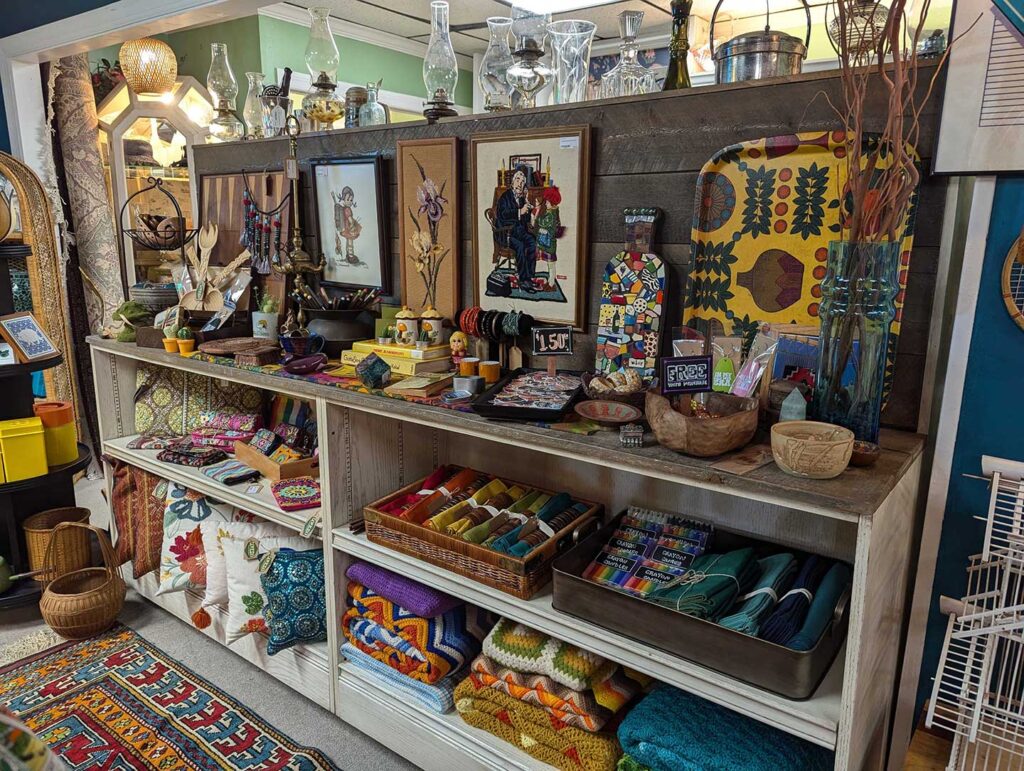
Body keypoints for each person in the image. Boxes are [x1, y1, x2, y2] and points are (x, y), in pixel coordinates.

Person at [494, 165, 538, 293]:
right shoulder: (505, 197)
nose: (520, 183)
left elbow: (523, 222)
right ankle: (523, 281)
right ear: (513, 182)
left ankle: (529, 277)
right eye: (518, 180)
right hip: (505, 233)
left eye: (523, 181)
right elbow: (503, 214)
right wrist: (520, 211)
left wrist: (528, 212)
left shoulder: (521, 198)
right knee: (520, 246)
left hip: (518, 231)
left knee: (531, 241)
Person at [332, 186, 361, 265]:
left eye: (351, 200)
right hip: (349, 227)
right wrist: (353, 224)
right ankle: (350, 256)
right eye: (348, 199)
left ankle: (349, 254)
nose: (350, 202)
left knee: (349, 241)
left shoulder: (343, 208)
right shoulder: (347, 209)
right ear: (343, 198)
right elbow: (350, 218)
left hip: (345, 227)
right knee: (350, 241)